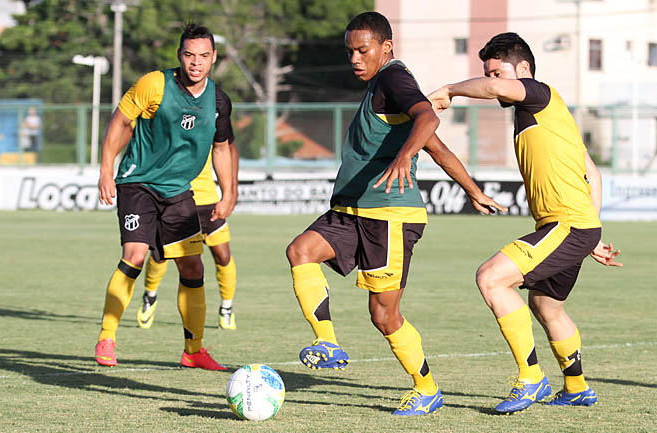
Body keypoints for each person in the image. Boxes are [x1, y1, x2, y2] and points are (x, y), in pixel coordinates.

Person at [285, 11, 506, 417]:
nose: (355, 58)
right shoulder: (380, 90)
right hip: (352, 210)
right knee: (300, 251)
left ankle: (426, 388)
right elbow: (437, 148)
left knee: (384, 316)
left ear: (386, 47)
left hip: (388, 216)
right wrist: (474, 191)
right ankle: (327, 343)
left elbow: (429, 117)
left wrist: (404, 157)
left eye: (362, 50)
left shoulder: (393, 78)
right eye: (349, 51)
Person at [428, 32, 622, 414]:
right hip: (575, 226)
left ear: (523, 70)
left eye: (498, 73)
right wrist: (593, 233)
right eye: (490, 73)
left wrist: (451, 89)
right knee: (546, 305)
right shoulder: (551, 116)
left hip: (566, 224)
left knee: (491, 278)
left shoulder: (539, 93)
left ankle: (531, 377)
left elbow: (486, 88)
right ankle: (577, 387)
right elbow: (593, 175)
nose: (494, 81)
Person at [96, 23, 234, 371]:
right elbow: (120, 123)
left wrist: (229, 190)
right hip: (138, 182)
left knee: (193, 266)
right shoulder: (154, 84)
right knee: (136, 254)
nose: (196, 63)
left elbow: (222, 147)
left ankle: (194, 351)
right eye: (189, 55)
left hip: (177, 191)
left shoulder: (218, 100)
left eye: (203, 56)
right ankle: (106, 338)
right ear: (179, 55)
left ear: (214, 58)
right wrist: (105, 170)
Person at [136, 142, 240, 331]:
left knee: (223, 257)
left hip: (208, 202)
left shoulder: (213, 116)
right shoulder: (171, 118)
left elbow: (229, 147)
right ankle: (150, 296)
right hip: (175, 199)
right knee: (160, 257)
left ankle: (227, 307)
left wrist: (231, 190)